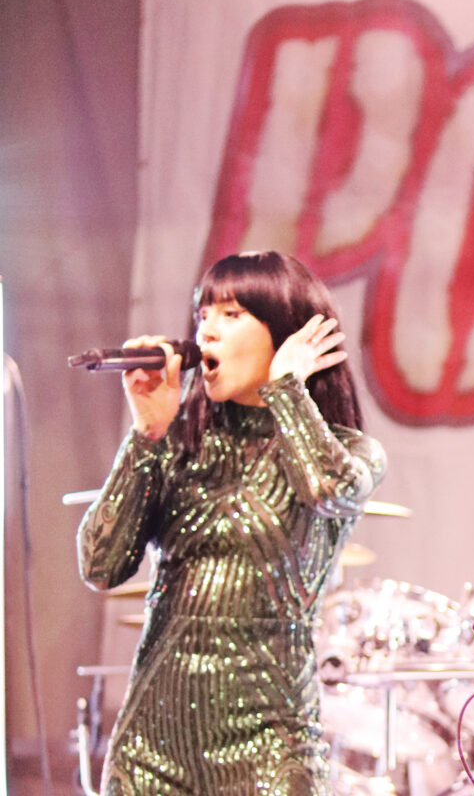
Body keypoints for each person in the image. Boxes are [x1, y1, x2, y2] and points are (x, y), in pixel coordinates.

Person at [77, 251, 386, 796]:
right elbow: (100, 566)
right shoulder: (177, 445)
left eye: (231, 315)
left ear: (288, 334)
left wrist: (286, 388)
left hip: (269, 748)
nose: (208, 332)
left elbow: (326, 489)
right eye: (203, 315)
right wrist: (146, 436)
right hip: (150, 751)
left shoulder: (350, 451)